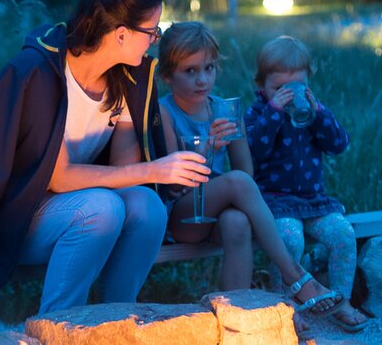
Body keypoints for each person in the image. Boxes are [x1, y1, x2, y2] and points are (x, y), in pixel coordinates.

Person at [0, 0, 211, 315]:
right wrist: (156, 170)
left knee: (148, 208)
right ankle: (61, 325)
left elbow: (124, 171)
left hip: (77, 209)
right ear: (121, 34)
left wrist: (159, 172)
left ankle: (115, 318)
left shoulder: (124, 78)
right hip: (19, 218)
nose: (155, 41)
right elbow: (59, 177)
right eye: (152, 31)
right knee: (102, 208)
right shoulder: (41, 74)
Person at [157, 22, 346, 326]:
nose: (202, 80)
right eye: (189, 71)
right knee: (236, 184)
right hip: (183, 215)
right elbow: (171, 186)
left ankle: (237, 320)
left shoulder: (223, 108)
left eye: (208, 68)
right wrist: (208, 149)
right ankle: (296, 277)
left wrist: (232, 139)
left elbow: (246, 171)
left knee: (238, 222)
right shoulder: (164, 112)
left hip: (217, 214)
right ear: (167, 76)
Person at [244, 35, 371, 332]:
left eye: (296, 88)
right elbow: (254, 152)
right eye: (279, 89)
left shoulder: (313, 113)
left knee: (342, 233)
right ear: (261, 86)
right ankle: (283, 306)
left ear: (308, 83)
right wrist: (273, 112)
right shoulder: (258, 114)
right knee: (289, 239)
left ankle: (341, 300)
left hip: (313, 200)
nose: (289, 96)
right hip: (274, 201)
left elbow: (339, 144)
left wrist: (320, 114)